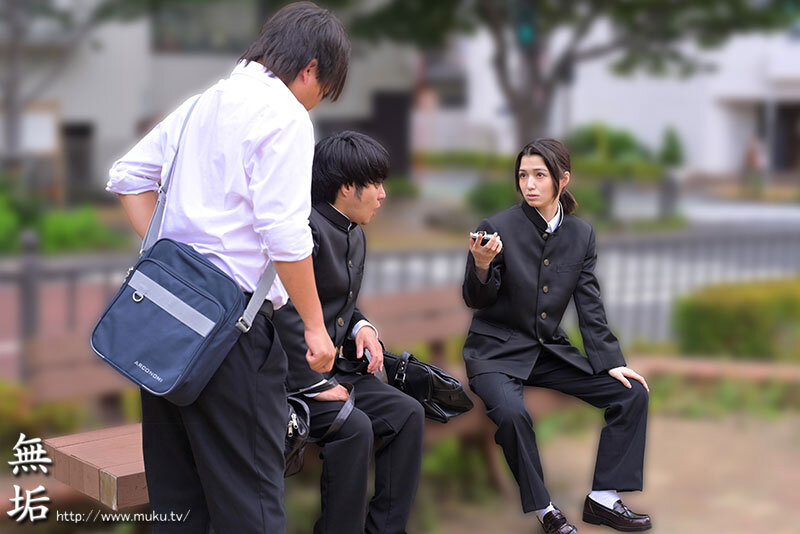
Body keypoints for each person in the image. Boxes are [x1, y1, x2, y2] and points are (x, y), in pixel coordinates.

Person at [105, 3, 349, 532]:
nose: (315, 102)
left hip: (165, 320)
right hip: (233, 333)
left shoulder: (202, 104)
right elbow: (285, 234)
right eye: (323, 90)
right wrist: (314, 326)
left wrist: (166, 261)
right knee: (250, 505)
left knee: (176, 502)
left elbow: (128, 177)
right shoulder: (285, 116)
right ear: (309, 69)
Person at [462, 139, 652, 534]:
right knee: (512, 415)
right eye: (523, 175)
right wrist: (481, 266)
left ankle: (603, 499)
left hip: (546, 352)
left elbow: (590, 305)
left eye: (539, 175)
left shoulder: (581, 235)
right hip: (494, 353)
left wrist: (612, 362)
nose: (529, 184)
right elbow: (476, 299)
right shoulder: (496, 228)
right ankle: (545, 510)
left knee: (631, 392)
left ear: (562, 180)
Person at [272, 131, 424, 534]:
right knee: (353, 428)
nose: (383, 195)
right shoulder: (304, 231)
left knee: (408, 414)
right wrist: (311, 384)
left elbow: (335, 300)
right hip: (290, 380)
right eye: (375, 184)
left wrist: (362, 326)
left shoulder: (354, 231)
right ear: (345, 188)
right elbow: (284, 310)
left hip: (335, 370)